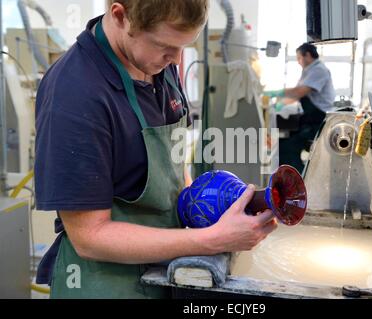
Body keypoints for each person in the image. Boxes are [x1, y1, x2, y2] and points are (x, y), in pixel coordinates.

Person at [34, 0, 277, 299]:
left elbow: (172, 168)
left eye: (184, 46)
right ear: (121, 16)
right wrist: (212, 239)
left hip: (164, 270)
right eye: (165, 45)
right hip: (106, 284)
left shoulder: (156, 62)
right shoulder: (75, 93)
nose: (176, 60)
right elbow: (89, 237)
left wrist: (211, 208)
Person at [265, 43, 336, 173]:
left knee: (288, 146)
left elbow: (299, 92)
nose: (298, 62)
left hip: (318, 120)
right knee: (282, 141)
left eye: (299, 58)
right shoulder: (308, 70)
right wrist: (278, 105)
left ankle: (299, 182)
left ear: (307, 55)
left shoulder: (319, 70)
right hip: (310, 118)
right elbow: (296, 96)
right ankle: (290, 177)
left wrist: (276, 92)